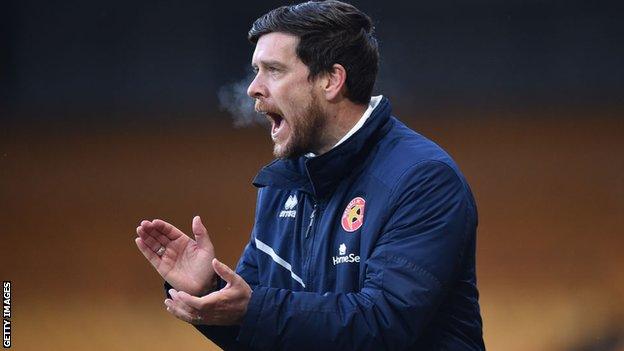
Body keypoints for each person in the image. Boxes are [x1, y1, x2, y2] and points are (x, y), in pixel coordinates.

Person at [134, 1, 485, 350]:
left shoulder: (423, 180)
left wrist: (252, 309)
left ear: (331, 80)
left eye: (273, 69)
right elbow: (263, 331)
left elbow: (382, 324)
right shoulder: (283, 182)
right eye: (255, 70)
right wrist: (210, 290)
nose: (252, 88)